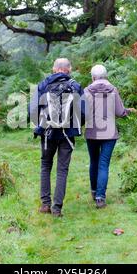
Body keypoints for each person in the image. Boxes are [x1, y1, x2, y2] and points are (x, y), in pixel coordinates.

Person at [29, 58, 84, 217]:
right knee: (62, 170)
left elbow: (32, 109)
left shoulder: (43, 85)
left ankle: (45, 204)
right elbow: (84, 112)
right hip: (68, 134)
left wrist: (38, 124)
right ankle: (57, 208)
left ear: (54, 69)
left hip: (47, 132)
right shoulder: (75, 86)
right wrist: (75, 125)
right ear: (69, 69)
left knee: (46, 165)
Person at [84, 65, 136, 209]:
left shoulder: (86, 91)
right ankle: (100, 198)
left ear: (93, 77)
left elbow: (82, 112)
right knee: (103, 164)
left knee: (94, 161)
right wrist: (128, 112)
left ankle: (94, 192)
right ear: (106, 76)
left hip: (92, 132)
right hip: (109, 133)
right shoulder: (113, 89)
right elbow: (120, 112)